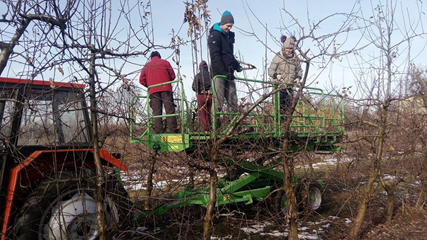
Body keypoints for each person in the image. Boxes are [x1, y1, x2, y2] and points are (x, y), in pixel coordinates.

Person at [208, 10, 242, 113]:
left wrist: (236, 65)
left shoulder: (229, 36)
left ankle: (234, 124)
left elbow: (229, 55)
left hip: (229, 73)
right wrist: (223, 72)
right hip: (219, 74)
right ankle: (216, 125)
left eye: (231, 26)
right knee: (218, 100)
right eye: (228, 25)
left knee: (233, 100)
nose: (229, 28)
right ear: (222, 23)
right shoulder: (215, 35)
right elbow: (215, 57)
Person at [139, 51, 178, 133]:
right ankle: (173, 130)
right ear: (159, 56)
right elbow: (173, 76)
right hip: (166, 89)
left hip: (153, 91)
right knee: (169, 110)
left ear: (151, 57)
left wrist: (150, 85)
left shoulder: (147, 66)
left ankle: (159, 131)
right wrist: (166, 80)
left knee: (157, 112)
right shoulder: (165, 62)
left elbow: (141, 80)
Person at [268, 36, 302, 118]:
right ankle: (278, 128)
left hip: (290, 88)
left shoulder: (295, 59)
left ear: (293, 49)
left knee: (288, 111)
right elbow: (270, 70)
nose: (288, 50)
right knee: (279, 111)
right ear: (284, 47)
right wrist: (276, 75)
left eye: (290, 49)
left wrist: (298, 77)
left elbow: (299, 70)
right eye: (286, 48)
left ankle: (286, 128)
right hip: (279, 87)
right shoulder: (278, 57)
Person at [192, 60, 212, 132]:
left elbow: (194, 87)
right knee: (211, 112)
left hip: (201, 95)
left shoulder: (198, 75)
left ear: (199, 67)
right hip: (210, 95)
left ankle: (206, 130)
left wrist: (199, 90)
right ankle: (213, 128)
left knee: (202, 113)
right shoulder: (211, 75)